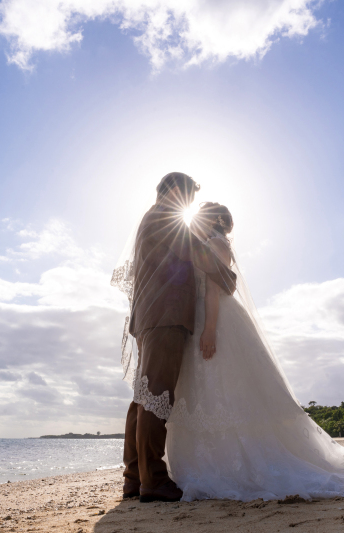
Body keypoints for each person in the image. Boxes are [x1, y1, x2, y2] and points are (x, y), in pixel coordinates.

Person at [164, 202, 344, 501]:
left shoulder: (216, 244)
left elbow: (215, 290)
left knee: (229, 389)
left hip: (217, 320)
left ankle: (236, 466)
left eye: (203, 214)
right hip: (201, 320)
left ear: (215, 220)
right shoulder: (204, 244)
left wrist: (209, 330)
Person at [111, 173, 237, 503]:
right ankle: (152, 478)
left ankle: (133, 477)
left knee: (143, 396)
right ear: (177, 193)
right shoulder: (166, 217)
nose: (191, 205)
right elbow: (199, 255)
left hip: (149, 316)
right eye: (190, 197)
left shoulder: (151, 218)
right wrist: (229, 277)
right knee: (156, 394)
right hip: (166, 315)